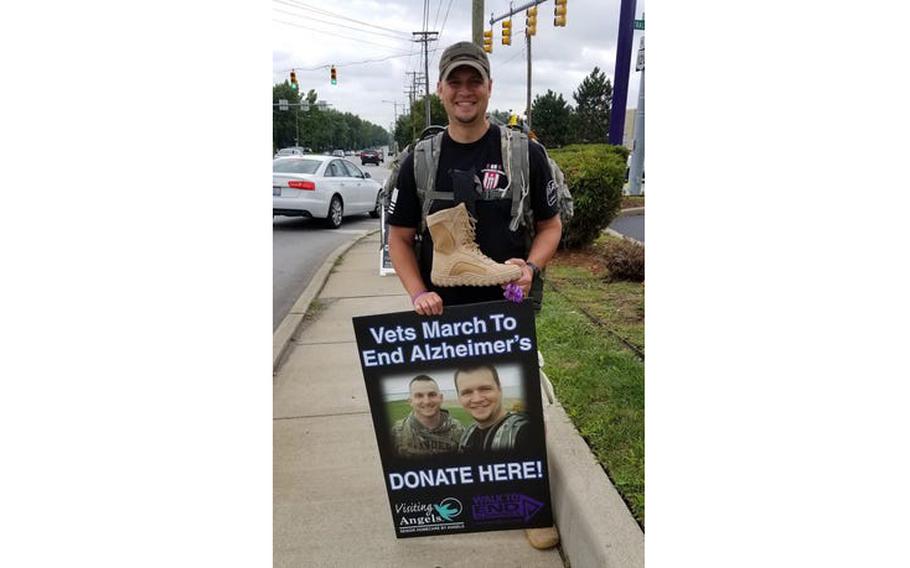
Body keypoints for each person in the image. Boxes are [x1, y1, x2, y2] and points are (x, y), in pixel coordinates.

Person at [387, 41, 563, 315]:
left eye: (475, 82)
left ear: (489, 87)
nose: (465, 91)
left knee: (511, 361)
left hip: (508, 313)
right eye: (454, 82)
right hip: (440, 318)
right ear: (440, 89)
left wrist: (530, 268)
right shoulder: (419, 161)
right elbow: (399, 238)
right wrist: (419, 293)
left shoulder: (524, 154)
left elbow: (551, 226)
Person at [454, 364, 531, 454]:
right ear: (459, 398)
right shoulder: (467, 435)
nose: (477, 399)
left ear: (499, 390)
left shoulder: (524, 432)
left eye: (485, 389)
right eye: (467, 392)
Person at [391, 375, 464, 458]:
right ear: (410, 401)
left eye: (432, 395)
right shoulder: (397, 432)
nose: (427, 401)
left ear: (441, 398)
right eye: (419, 396)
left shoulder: (459, 430)